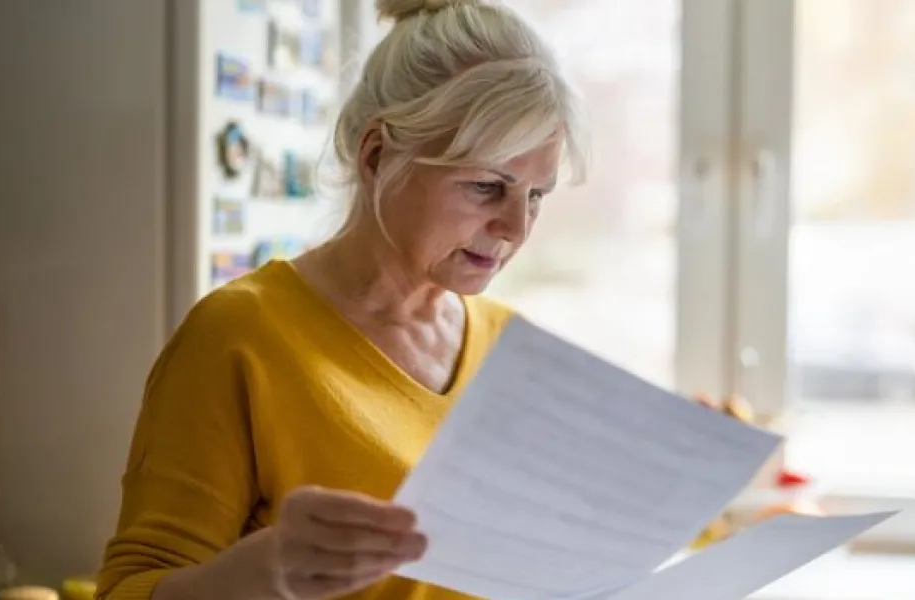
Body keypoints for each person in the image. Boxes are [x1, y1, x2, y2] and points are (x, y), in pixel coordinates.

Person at [95, 0, 585, 598]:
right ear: (378, 156)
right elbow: (129, 588)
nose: (516, 227)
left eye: (536, 195)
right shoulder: (239, 336)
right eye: (486, 187)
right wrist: (258, 575)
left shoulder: (514, 347)